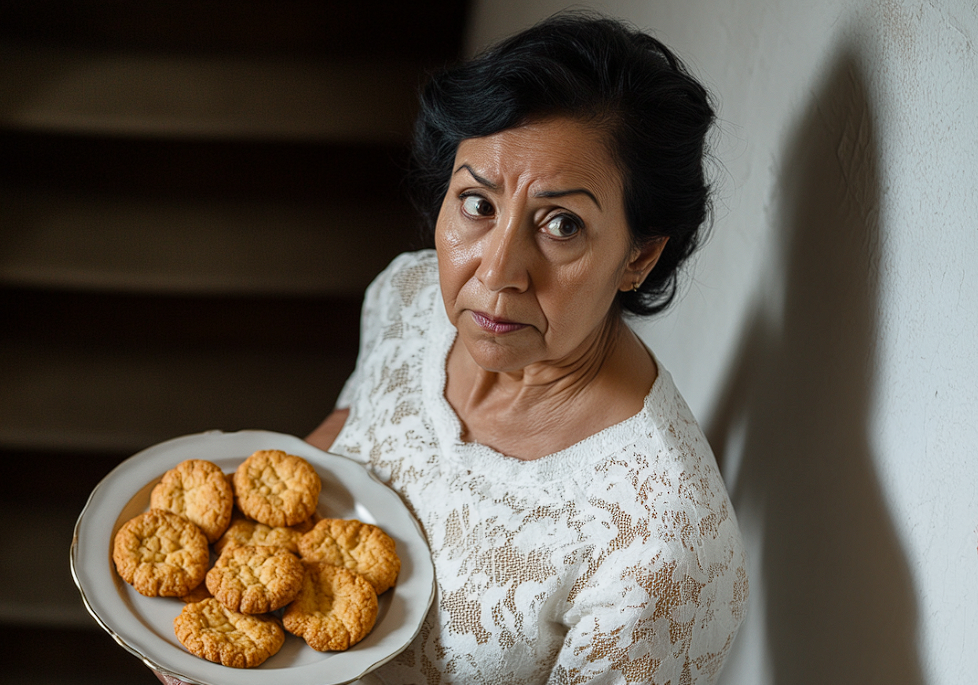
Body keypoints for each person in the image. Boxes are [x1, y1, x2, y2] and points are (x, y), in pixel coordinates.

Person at [159, 11, 746, 685]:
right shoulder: (413, 297)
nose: (497, 272)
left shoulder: (662, 544)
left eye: (561, 224)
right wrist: (210, 623)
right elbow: (340, 446)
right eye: (478, 203)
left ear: (638, 255)